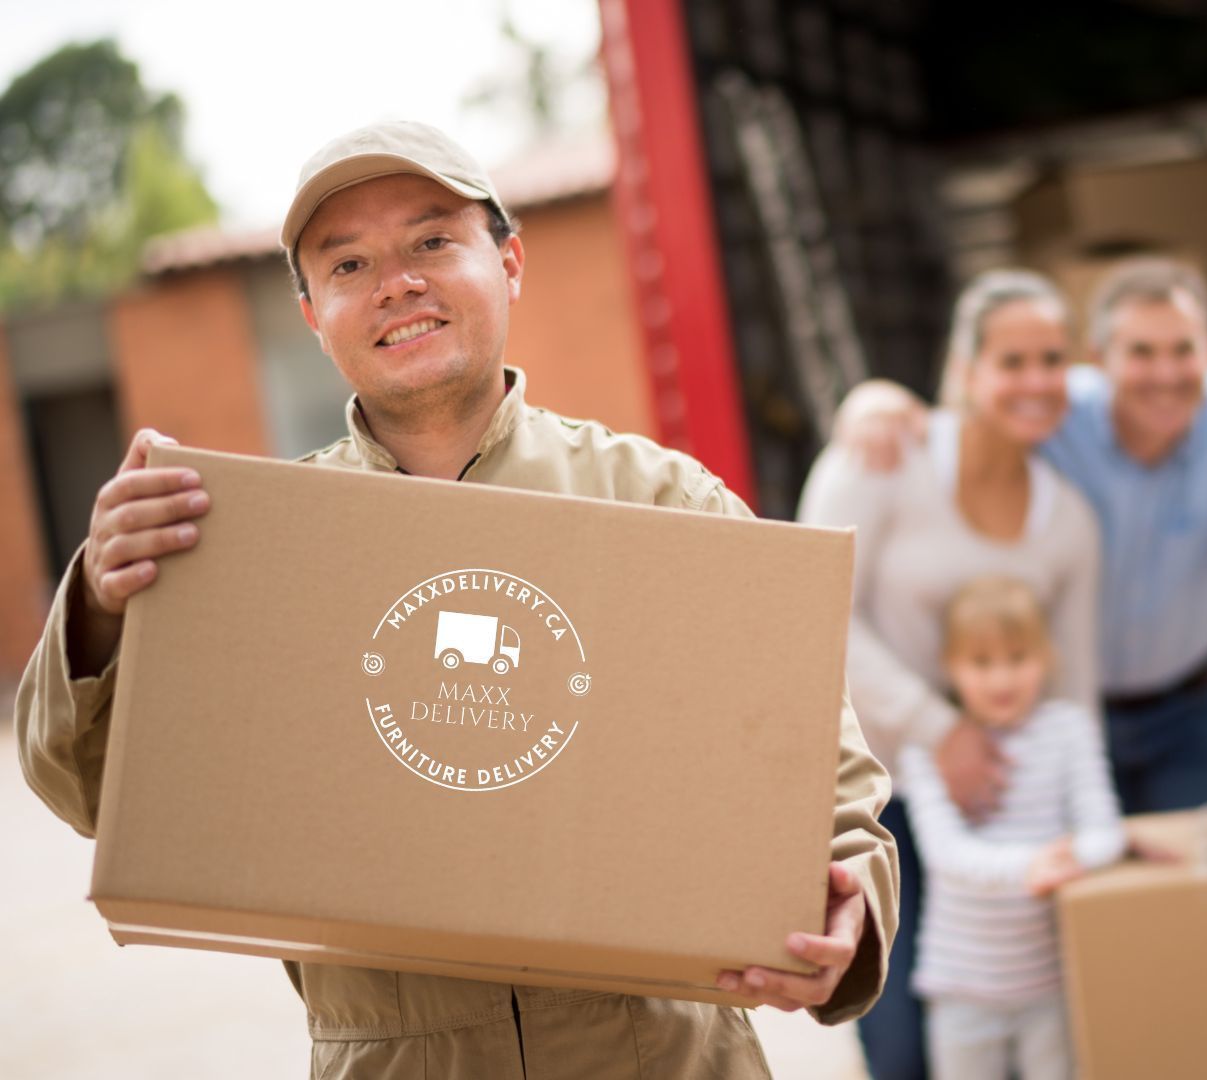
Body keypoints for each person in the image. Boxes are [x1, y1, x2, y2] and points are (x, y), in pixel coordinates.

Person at [13, 120, 897, 1080]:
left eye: (433, 241)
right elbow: (93, 797)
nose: (397, 282)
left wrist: (849, 908)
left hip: (662, 1053)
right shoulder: (259, 549)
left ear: (509, 262)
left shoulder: (661, 503)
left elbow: (823, 779)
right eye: (348, 263)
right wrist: (101, 606)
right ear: (313, 314)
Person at [834, 258, 1207, 828]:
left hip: (1195, 706)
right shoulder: (1056, 415)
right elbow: (982, 417)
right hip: (1053, 718)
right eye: (1141, 352)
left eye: (1184, 349)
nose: (1164, 373)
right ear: (1098, 357)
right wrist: (874, 401)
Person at [797, 270, 1102, 1080]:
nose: (1035, 381)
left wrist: (1083, 816)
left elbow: (1075, 687)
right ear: (966, 370)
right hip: (874, 799)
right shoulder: (885, 455)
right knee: (899, 1049)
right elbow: (813, 606)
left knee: (1027, 1042)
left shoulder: (1067, 520)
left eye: (1052, 360)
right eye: (1012, 361)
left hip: (1000, 806)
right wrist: (943, 731)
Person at [897, 576, 1125, 1080]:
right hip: (961, 989)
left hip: (1050, 984)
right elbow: (945, 855)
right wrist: (1033, 865)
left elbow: (1105, 831)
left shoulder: (1069, 730)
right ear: (950, 666)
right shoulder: (926, 751)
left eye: (1018, 658)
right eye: (981, 663)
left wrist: (1069, 861)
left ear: (1045, 657)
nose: (1002, 679)